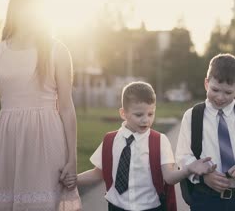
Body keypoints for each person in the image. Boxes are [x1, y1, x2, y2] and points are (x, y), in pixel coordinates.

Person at [0, 0, 82, 210]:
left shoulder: (58, 51)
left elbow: (67, 108)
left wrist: (72, 159)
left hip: (47, 142)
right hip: (8, 143)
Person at [63, 81, 215, 211]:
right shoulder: (110, 140)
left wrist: (189, 169)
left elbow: (169, 178)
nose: (145, 120)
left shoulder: (160, 141)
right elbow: (98, 173)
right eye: (139, 115)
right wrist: (74, 179)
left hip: (150, 207)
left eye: (150, 114)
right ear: (123, 113)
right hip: (117, 207)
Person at [175, 53, 235, 211]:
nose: (220, 97)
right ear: (206, 83)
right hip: (204, 198)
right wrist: (203, 177)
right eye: (215, 89)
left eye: (228, 92)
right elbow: (182, 157)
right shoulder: (193, 116)